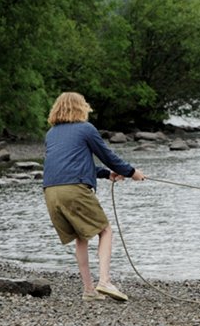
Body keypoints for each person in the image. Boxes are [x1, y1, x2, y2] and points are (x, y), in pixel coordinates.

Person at [42, 92, 146, 302]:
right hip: (74, 189)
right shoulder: (86, 129)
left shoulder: (51, 134)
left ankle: (89, 290)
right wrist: (131, 172)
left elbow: (70, 163)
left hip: (51, 191)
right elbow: (107, 156)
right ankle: (105, 281)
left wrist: (107, 174)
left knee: (82, 237)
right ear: (80, 108)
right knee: (105, 230)